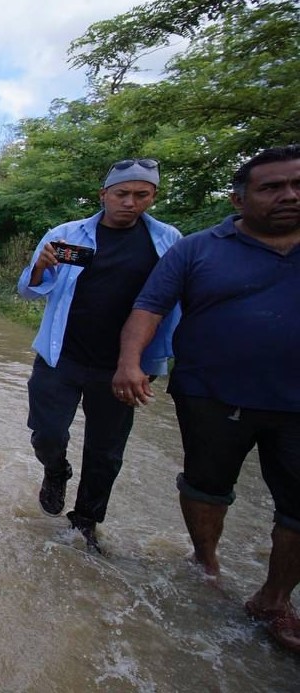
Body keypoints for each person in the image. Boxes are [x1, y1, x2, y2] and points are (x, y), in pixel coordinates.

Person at [113, 146, 300, 654]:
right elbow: (149, 307)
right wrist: (130, 362)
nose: (288, 195)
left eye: (297, 185)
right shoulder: (196, 249)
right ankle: (206, 560)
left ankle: (275, 598)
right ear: (239, 199)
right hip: (212, 393)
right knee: (206, 483)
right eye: (272, 187)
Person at [17, 158, 182, 549]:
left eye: (141, 195)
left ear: (153, 197)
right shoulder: (66, 234)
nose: (130, 202)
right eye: (122, 193)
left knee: (106, 452)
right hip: (60, 357)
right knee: (46, 434)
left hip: (124, 365)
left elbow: (174, 302)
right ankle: (56, 470)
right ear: (103, 195)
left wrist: (155, 362)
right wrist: (40, 267)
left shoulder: (168, 241)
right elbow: (29, 290)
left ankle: (85, 522)